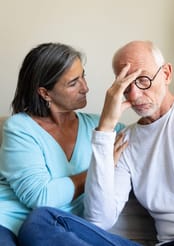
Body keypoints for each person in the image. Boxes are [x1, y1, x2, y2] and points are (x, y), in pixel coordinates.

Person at [18, 40, 174, 246]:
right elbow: (99, 220)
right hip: (166, 243)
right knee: (40, 222)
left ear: (166, 74)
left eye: (143, 80)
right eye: (126, 84)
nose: (135, 94)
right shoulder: (125, 139)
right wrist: (104, 130)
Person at [0, 42, 125, 245]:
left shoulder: (101, 127)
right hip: (8, 223)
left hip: (59, 229)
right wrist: (101, 166)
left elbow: (148, 134)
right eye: (73, 83)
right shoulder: (19, 128)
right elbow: (42, 197)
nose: (86, 87)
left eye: (83, 76)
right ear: (45, 93)